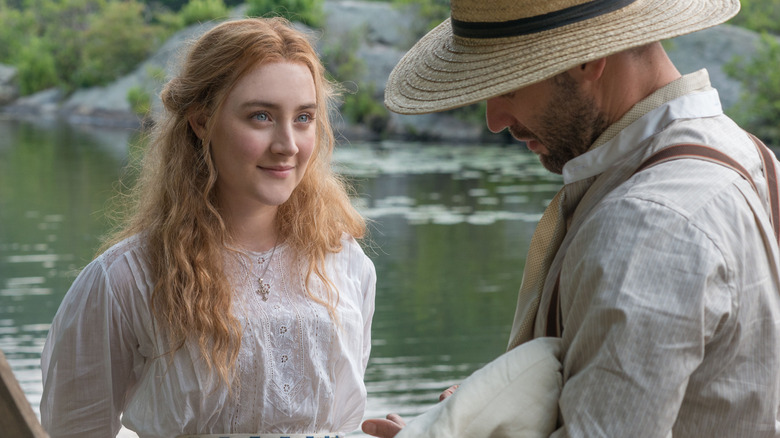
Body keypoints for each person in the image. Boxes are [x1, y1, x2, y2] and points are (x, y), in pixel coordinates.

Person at [363, 0, 780, 437]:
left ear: (587, 59)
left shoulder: (646, 225)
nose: (494, 120)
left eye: (507, 86)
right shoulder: (745, 154)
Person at [40, 17, 376, 438]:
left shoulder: (344, 264)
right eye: (261, 116)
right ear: (202, 122)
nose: (288, 144)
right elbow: (75, 430)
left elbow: (344, 423)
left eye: (304, 117)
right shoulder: (126, 279)